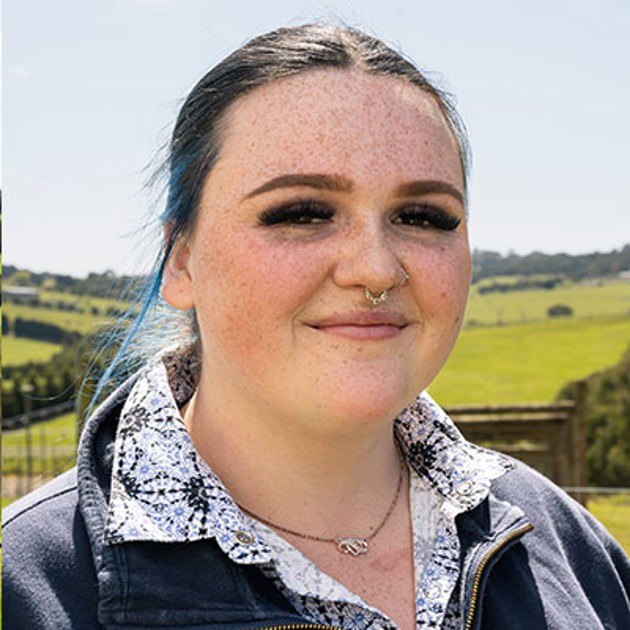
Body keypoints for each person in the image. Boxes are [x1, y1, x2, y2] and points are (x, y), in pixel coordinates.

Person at [3, 23, 629, 630]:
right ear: (182, 259)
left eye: (424, 216)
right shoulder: (27, 585)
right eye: (302, 213)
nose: (376, 269)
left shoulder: (565, 546)